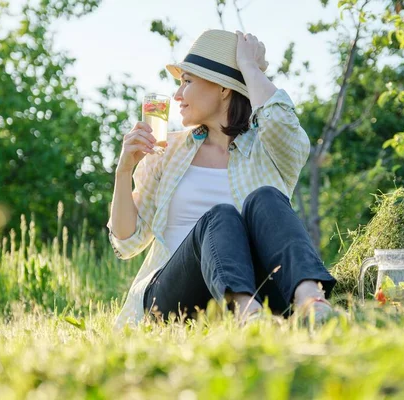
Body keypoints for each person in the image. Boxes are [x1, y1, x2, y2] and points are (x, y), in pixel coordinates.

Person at [108, 29, 337, 329]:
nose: (177, 95)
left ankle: (312, 303)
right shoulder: (167, 151)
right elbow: (127, 241)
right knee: (220, 216)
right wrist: (124, 171)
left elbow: (282, 122)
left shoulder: (266, 149)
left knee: (266, 197)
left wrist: (249, 67)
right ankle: (247, 315)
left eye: (187, 81)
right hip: (173, 298)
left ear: (223, 89)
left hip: (260, 286)